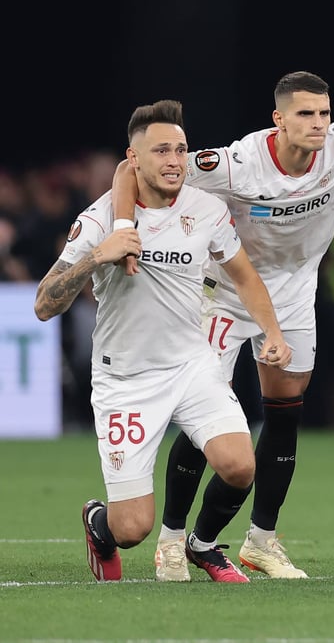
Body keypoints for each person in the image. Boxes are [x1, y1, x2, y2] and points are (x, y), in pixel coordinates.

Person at [107, 72, 334, 579]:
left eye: (324, 113)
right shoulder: (237, 164)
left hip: (295, 297)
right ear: (278, 119)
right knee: (201, 417)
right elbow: (131, 171)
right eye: (305, 114)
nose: (319, 124)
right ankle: (171, 541)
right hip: (227, 296)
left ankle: (261, 540)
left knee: (284, 416)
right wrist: (125, 226)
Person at [35, 100, 292, 583]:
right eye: (161, 151)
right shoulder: (101, 220)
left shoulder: (207, 209)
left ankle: (202, 545)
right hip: (125, 378)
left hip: (190, 365)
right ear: (133, 159)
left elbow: (244, 275)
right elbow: (44, 305)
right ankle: (99, 524)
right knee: (133, 528)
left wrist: (272, 332)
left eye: (180, 149)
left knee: (240, 466)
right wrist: (97, 259)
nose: (174, 160)